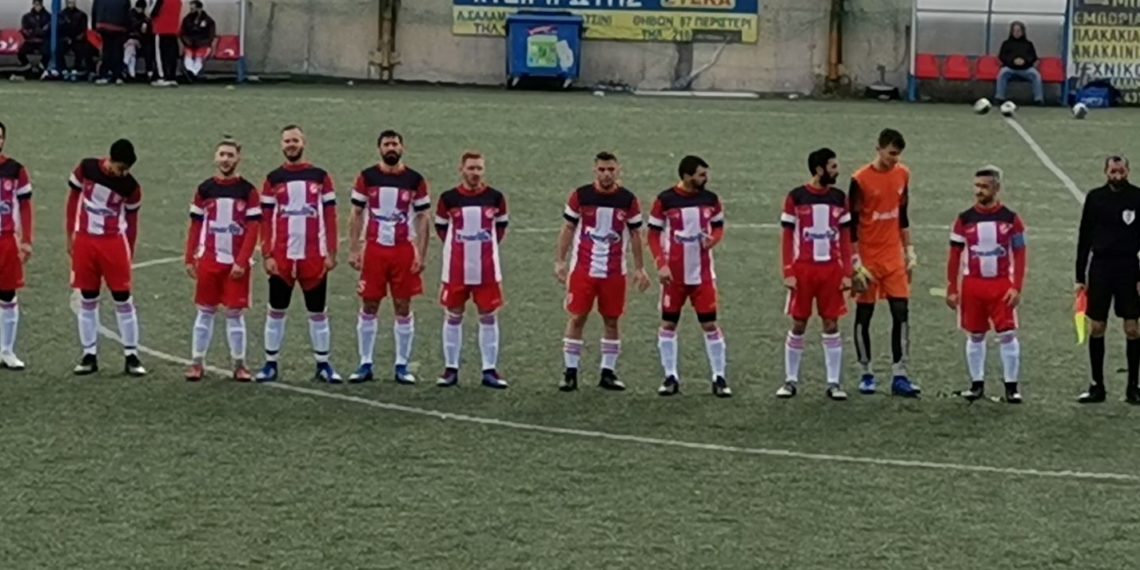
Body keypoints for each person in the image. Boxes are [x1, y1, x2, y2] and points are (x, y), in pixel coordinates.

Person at [554, 152, 650, 392]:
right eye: (602, 170)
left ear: (618, 170)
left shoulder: (628, 200)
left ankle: (608, 372)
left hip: (614, 273)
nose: (606, 174)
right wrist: (560, 261)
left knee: (611, 320)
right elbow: (568, 228)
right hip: (583, 271)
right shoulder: (581, 195)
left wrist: (640, 268)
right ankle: (570, 372)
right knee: (577, 317)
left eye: (611, 170)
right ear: (594, 171)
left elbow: (636, 234)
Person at [254, 125, 341, 383]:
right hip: (282, 257)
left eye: (295, 140)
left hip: (314, 257)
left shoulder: (320, 177)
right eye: (287, 141)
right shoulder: (273, 179)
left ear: (303, 143)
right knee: (276, 310)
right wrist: (267, 254)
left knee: (318, 311)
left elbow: (330, 216)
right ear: (281, 145)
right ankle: (270, 363)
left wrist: (331, 252)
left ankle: (323, 364)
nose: (291, 145)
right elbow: (265, 219)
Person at [346, 130, 431, 385]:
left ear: (402, 148)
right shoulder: (367, 177)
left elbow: (423, 217)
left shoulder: (414, 179)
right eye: (386, 144)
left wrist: (421, 254)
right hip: (374, 251)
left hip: (403, 251)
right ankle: (365, 363)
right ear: (379, 148)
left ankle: (401, 365)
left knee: (403, 306)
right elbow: (356, 213)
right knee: (369, 305)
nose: (391, 148)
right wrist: (354, 248)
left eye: (395, 144)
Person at [647, 155, 731, 398]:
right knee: (668, 324)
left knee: (710, 324)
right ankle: (670, 377)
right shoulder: (665, 200)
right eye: (701, 175)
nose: (706, 178)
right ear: (686, 176)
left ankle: (719, 377)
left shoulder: (711, 199)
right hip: (673, 278)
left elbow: (718, 227)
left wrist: (713, 240)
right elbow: (653, 234)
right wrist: (661, 264)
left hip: (702, 276)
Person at [945, 167, 1027, 403]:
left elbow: (1020, 254)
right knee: (975, 334)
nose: (979, 191)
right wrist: (952, 288)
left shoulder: (1011, 219)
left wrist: (1016, 287)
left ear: (996, 188)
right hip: (972, 286)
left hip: (1001, 286)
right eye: (977, 186)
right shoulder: (964, 219)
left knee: (1007, 334)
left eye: (984, 187)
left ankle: (1011, 387)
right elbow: (954, 256)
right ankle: (976, 384)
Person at [777, 148, 853, 401]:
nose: (837, 171)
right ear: (819, 169)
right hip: (803, 270)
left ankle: (833, 383)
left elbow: (845, 238)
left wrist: (847, 273)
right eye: (833, 167)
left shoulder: (839, 198)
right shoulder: (796, 197)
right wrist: (788, 270)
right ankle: (790, 381)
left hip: (831, 271)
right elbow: (787, 237)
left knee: (831, 324)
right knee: (798, 323)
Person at [849, 128, 920, 397]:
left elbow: (903, 215)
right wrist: (855, 261)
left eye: (898, 155)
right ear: (878, 149)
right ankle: (866, 372)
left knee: (901, 312)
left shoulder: (903, 174)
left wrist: (909, 250)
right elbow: (851, 224)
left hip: (893, 256)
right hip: (868, 258)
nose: (894, 160)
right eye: (891, 154)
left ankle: (900, 374)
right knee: (864, 314)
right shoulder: (860, 180)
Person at [66, 139, 146, 376]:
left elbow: (132, 222)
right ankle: (89, 354)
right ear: (110, 159)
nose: (123, 173)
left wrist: (129, 251)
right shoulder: (87, 168)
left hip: (113, 243)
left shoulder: (131, 187)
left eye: (127, 169)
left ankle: (131, 355)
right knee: (88, 297)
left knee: (123, 298)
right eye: (121, 168)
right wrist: (70, 235)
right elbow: (72, 200)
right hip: (85, 241)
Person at [183, 139, 261, 382]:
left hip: (236, 264)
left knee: (235, 313)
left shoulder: (248, 191)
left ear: (238, 159)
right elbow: (195, 226)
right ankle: (197, 363)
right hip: (209, 261)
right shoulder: (205, 189)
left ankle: (239, 365)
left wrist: (242, 260)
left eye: (230, 155)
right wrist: (189, 257)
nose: (226, 159)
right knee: (205, 311)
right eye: (222, 154)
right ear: (215, 158)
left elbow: (253, 228)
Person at [434, 151, 509, 389]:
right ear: (462, 170)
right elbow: (441, 228)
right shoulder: (448, 198)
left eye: (479, 168)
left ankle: (489, 370)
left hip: (487, 270)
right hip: (456, 270)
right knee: (453, 315)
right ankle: (451, 369)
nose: (475, 173)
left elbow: (501, 228)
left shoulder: (495, 197)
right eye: (471, 168)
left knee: (488, 316)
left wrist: (484, 249)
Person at [1074, 156, 1140, 404]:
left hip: (1129, 268)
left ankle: (1133, 387)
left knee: (1132, 328)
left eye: (1121, 171)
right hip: (1101, 268)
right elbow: (1084, 237)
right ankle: (1097, 386)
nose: (1117, 175)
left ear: (1128, 171)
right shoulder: (1095, 198)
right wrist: (1080, 276)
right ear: (1106, 172)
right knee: (1097, 326)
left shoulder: (1137, 197)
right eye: (1113, 171)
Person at [0, 122, 33, 370]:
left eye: (0, 137)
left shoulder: (15, 169)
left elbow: (25, 206)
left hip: (6, 240)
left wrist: (27, 240)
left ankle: (7, 351)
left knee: (8, 295)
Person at [996, 21, 1044, 106]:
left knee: (1036, 75)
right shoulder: (1006, 44)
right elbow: (1002, 57)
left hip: (1026, 69)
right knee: (1002, 73)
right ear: (1011, 32)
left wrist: (1024, 61)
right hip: (1010, 68)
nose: (1016, 33)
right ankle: (999, 98)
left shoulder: (1029, 44)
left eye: (1018, 31)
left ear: (1022, 32)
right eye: (1014, 31)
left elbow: (1033, 57)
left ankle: (1038, 99)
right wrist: (1012, 61)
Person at [92, 0, 132, 84]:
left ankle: (104, 75)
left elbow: (94, 10)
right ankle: (117, 76)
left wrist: (94, 26)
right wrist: (128, 30)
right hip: (119, 27)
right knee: (117, 52)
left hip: (103, 25)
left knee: (106, 51)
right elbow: (127, 14)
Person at [179, 0, 215, 82]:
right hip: (190, 45)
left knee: (199, 57)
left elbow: (210, 36)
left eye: (193, 9)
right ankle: (191, 73)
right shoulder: (186, 19)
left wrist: (202, 43)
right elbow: (182, 33)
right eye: (191, 9)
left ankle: (191, 74)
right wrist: (187, 42)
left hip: (203, 45)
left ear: (199, 9)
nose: (191, 11)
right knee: (188, 56)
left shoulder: (208, 21)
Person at [149, 0, 183, 87]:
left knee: (160, 56)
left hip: (161, 30)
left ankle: (161, 77)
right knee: (172, 55)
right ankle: (172, 77)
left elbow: (152, 13)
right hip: (173, 31)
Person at [59, 0, 93, 81]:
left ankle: (77, 68)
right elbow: (60, 29)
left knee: (81, 48)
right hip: (65, 39)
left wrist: (76, 38)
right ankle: (63, 69)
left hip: (77, 40)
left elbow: (83, 30)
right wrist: (66, 38)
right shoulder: (61, 15)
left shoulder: (81, 15)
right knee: (59, 48)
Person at [17, 0, 51, 78]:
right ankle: (28, 67)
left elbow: (48, 30)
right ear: (33, 5)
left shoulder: (48, 16)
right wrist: (33, 35)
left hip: (43, 41)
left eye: (39, 4)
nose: (37, 6)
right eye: (36, 4)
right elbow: (25, 29)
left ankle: (40, 67)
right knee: (20, 53)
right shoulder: (27, 17)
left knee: (48, 52)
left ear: (42, 5)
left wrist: (37, 33)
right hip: (31, 40)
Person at [125, 0, 154, 81]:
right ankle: (130, 71)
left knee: (133, 51)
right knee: (131, 48)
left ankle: (129, 70)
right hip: (131, 39)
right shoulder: (132, 16)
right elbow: (133, 25)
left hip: (139, 41)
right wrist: (144, 22)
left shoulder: (141, 17)